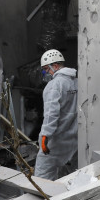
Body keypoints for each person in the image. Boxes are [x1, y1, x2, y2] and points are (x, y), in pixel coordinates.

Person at [33, 49, 78, 180]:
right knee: (74, 177)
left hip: (56, 141)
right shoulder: (77, 82)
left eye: (46, 69)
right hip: (75, 141)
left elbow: (51, 115)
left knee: (42, 178)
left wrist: (44, 137)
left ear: (56, 66)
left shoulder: (54, 85)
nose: (45, 73)